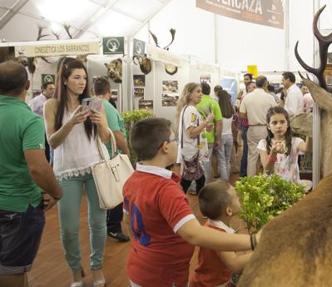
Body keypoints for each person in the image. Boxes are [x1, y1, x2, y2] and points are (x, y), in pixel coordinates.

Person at [123, 118, 259, 287]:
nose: (177, 144)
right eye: (175, 140)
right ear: (165, 147)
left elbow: (128, 222)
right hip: (162, 277)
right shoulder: (165, 189)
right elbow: (194, 234)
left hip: (139, 268)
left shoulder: (132, 181)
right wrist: (254, 241)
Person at [44, 59, 111, 287]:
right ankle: (75, 271)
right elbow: (52, 142)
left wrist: (102, 123)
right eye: (76, 77)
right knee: (69, 228)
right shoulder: (52, 106)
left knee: (98, 224)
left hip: (95, 169)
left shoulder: (93, 103)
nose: (82, 82)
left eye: (84, 77)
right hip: (66, 172)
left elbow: (104, 138)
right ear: (64, 79)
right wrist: (71, 122)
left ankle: (97, 267)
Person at [0, 61, 63, 287]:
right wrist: (56, 191)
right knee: (13, 270)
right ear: (27, 85)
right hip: (19, 207)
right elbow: (37, 167)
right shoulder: (28, 120)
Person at [189, 181, 252, 287]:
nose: (239, 198)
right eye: (236, 197)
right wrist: (260, 252)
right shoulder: (217, 235)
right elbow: (234, 264)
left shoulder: (213, 224)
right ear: (229, 211)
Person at [93, 77, 130, 243]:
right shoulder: (107, 106)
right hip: (111, 154)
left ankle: (105, 225)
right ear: (108, 92)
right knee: (118, 188)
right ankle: (114, 227)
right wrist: (127, 151)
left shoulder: (92, 104)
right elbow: (116, 133)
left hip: (98, 155)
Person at [176, 83, 214, 194]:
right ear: (189, 94)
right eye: (198, 91)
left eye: (201, 91)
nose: (201, 94)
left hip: (193, 151)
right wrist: (207, 121)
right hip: (191, 152)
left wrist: (206, 126)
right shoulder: (191, 110)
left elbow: (195, 129)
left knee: (199, 179)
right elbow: (191, 133)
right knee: (190, 181)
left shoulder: (190, 109)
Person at [258, 106, 310, 183]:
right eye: (274, 123)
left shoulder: (295, 141)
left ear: (288, 124)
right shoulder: (263, 143)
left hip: (291, 187)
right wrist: (273, 153)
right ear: (268, 126)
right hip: (271, 187)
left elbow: (307, 149)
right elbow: (267, 170)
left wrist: (309, 132)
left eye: (282, 122)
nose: (279, 126)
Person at [240, 76, 277, 176]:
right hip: (266, 129)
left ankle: (250, 183)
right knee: (267, 156)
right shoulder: (269, 97)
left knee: (252, 157)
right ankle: (266, 180)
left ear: (256, 83)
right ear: (265, 84)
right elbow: (275, 113)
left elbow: (242, 114)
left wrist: (251, 117)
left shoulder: (247, 97)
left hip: (252, 128)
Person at [196, 82, 223, 183]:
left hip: (197, 137)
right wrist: (218, 138)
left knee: (198, 161)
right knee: (207, 161)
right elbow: (219, 122)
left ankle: (197, 185)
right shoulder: (213, 102)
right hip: (210, 137)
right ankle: (206, 184)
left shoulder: (195, 102)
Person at [29, 81, 56, 161]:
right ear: (43, 90)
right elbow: (28, 114)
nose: (53, 91)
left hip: (50, 130)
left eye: (54, 89)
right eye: (50, 89)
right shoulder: (35, 101)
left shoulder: (53, 101)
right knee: (44, 153)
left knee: (50, 152)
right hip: (40, 131)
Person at [217, 90, 235, 181]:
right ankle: (226, 177)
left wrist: (217, 138)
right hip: (230, 136)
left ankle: (224, 180)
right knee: (227, 159)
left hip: (221, 136)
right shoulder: (231, 109)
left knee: (222, 159)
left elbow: (218, 126)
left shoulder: (218, 110)